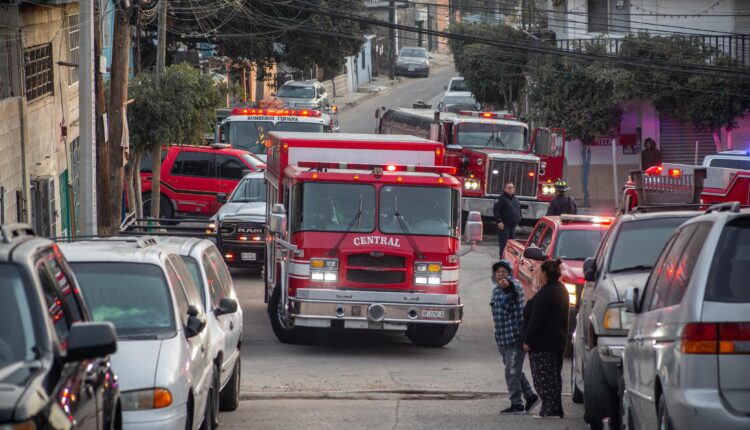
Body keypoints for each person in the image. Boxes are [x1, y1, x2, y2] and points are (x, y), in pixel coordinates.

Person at [490, 260, 540, 415]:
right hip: (502, 339)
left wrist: (507, 284)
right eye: (498, 272)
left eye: (504, 272)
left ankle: (516, 404)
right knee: (514, 370)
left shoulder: (514, 285)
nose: (501, 275)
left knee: (511, 371)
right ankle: (530, 396)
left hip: (515, 338)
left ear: (509, 274)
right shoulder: (495, 290)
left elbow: (512, 289)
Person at [523, 259, 569, 419]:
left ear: (546, 274)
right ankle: (555, 409)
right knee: (554, 376)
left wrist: (528, 340)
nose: (538, 274)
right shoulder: (560, 289)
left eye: (540, 272)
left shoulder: (547, 293)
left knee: (544, 378)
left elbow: (537, 319)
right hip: (557, 341)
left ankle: (549, 410)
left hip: (544, 343)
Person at [493, 182, 521, 259]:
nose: (511, 189)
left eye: (512, 187)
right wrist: (499, 221)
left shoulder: (515, 199)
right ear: (505, 189)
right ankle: (502, 260)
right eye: (509, 188)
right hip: (504, 225)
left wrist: (519, 218)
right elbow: (496, 211)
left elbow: (518, 209)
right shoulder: (501, 199)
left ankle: (510, 259)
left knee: (512, 244)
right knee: (504, 244)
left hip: (513, 225)